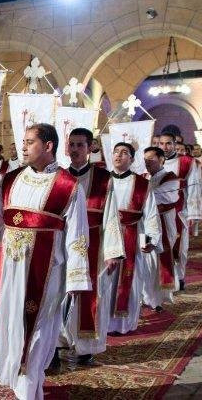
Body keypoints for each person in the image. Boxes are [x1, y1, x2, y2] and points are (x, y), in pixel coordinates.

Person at [0, 123, 91, 400]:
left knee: (38, 329)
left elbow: (77, 235)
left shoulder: (68, 186)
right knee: (11, 322)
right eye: (23, 141)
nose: (23, 147)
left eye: (30, 142)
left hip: (46, 272)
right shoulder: (12, 179)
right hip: (9, 267)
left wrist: (76, 278)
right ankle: (26, 385)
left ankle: (27, 390)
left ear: (48, 146)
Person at [58, 128, 124, 365]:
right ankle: (57, 343)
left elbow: (111, 217)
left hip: (93, 244)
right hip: (63, 244)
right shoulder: (60, 177)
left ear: (89, 148)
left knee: (92, 295)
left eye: (80, 145)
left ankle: (86, 347)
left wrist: (113, 251)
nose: (75, 149)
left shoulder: (104, 179)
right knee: (60, 292)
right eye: (72, 145)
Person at [106, 143, 161, 335]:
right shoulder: (103, 180)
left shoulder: (142, 184)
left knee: (130, 278)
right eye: (116, 152)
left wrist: (150, 239)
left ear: (132, 159)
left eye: (124, 153)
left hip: (131, 234)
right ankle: (103, 323)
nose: (119, 155)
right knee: (106, 281)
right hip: (105, 237)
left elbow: (151, 215)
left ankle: (124, 324)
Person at [158, 132, 202, 291]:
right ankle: (160, 279)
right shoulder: (153, 160)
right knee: (157, 246)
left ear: (175, 144)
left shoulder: (186, 162)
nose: (165, 147)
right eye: (161, 143)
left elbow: (194, 187)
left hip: (179, 211)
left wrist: (193, 213)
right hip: (156, 212)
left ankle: (179, 278)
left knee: (180, 248)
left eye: (168, 143)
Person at [142, 147, 180, 310]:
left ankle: (157, 300)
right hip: (145, 225)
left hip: (163, 224)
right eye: (145, 160)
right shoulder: (143, 177)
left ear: (161, 159)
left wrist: (141, 196)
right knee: (145, 260)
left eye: (151, 159)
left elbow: (165, 197)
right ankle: (145, 296)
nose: (147, 162)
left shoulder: (170, 178)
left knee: (158, 261)